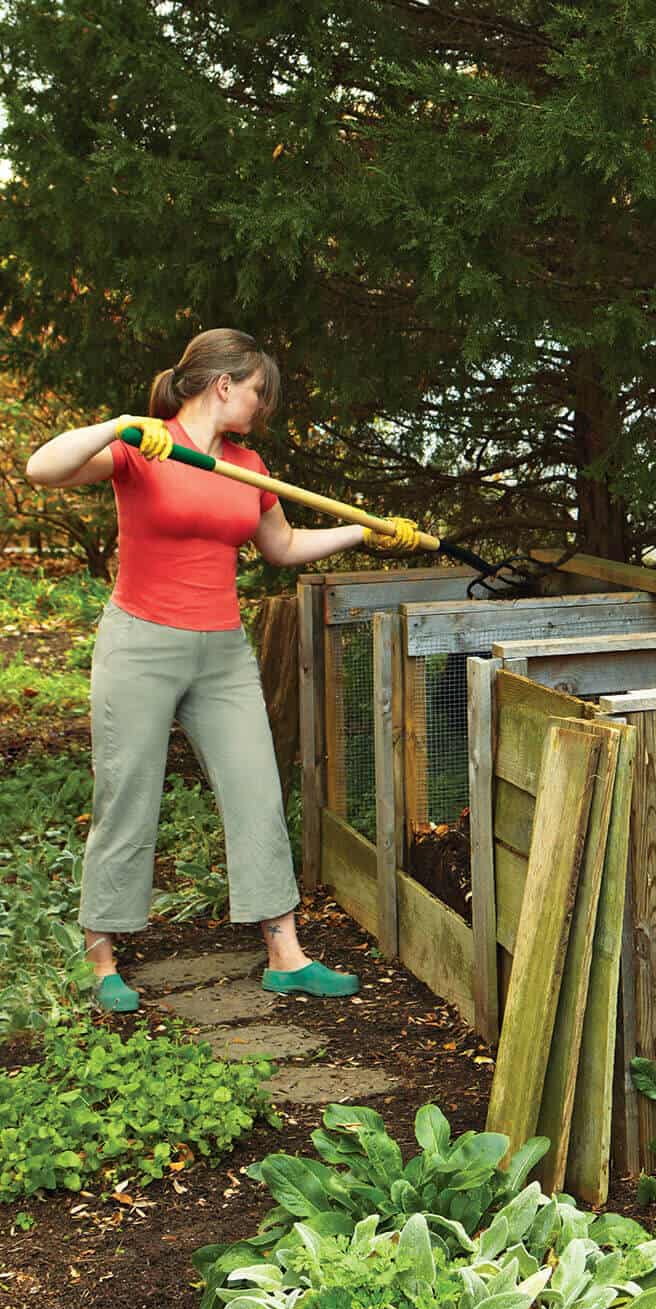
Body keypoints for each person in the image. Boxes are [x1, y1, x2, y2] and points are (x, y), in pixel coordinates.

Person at [25, 327, 421, 1012]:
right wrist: (119, 426)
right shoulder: (144, 445)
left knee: (257, 793)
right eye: (257, 393)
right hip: (141, 642)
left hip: (222, 651)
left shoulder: (249, 463)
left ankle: (285, 954)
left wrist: (366, 529)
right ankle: (100, 955)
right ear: (223, 384)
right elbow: (43, 469)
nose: (261, 407)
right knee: (128, 794)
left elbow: (285, 545)